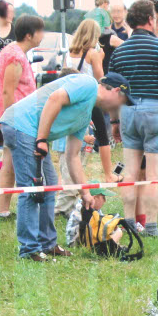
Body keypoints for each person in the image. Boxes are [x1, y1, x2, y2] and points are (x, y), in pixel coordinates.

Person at [0, 69, 133, 260]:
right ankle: (29, 250)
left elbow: (73, 157)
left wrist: (85, 193)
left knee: (51, 183)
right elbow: (55, 99)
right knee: (31, 188)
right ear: (115, 92)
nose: (120, 107)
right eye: (123, 101)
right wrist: (42, 139)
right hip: (21, 125)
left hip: (31, 131)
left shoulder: (85, 114)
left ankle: (48, 244)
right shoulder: (87, 84)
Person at [108, 0, 158, 237]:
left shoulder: (119, 52)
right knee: (153, 175)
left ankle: (129, 223)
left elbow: (112, 92)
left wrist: (114, 122)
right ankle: (151, 226)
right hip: (155, 111)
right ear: (151, 19)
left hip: (127, 111)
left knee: (130, 173)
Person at [0, 15, 46, 221]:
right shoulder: (15, 56)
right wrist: (11, 119)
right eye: (40, 31)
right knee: (17, 165)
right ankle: (12, 209)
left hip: (15, 119)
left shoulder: (13, 51)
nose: (42, 35)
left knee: (9, 164)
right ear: (29, 35)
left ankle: (3, 210)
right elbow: (8, 91)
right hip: (17, 120)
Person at [53, 68, 118, 223]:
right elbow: (68, 130)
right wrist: (84, 138)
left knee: (75, 180)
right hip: (66, 147)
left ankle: (68, 208)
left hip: (79, 148)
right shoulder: (65, 103)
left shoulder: (82, 103)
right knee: (69, 181)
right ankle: (60, 211)